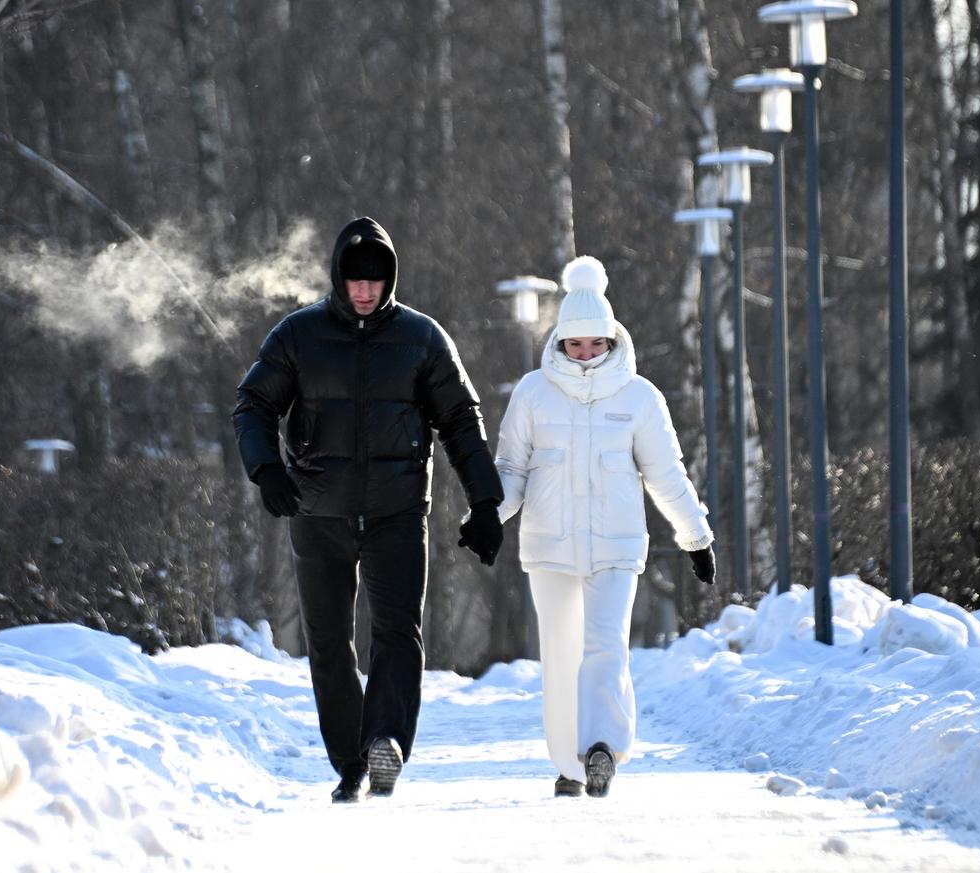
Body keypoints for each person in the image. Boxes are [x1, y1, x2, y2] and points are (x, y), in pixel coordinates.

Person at [233, 216, 505, 803]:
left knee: (397, 633)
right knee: (328, 641)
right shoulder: (297, 335)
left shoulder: (423, 339)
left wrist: (485, 501)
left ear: (390, 280)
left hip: (397, 512)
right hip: (318, 511)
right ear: (337, 278)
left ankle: (385, 741)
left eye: (375, 280)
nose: (364, 290)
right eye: (354, 280)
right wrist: (267, 468)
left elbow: (460, 420)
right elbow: (253, 403)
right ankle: (350, 763)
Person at [493, 255, 716, 799]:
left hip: (617, 547)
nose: (586, 354)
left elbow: (666, 473)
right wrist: (485, 516)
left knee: (605, 644)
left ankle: (600, 750)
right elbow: (509, 471)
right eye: (575, 345)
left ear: (613, 340)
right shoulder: (531, 393)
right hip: (549, 547)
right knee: (562, 651)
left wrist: (695, 535)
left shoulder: (639, 397)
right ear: (560, 342)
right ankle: (569, 764)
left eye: (596, 344)